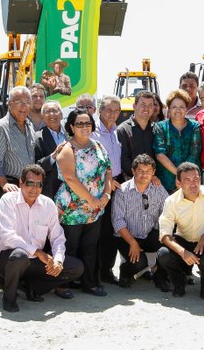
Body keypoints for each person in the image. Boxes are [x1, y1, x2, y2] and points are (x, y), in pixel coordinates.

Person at [0, 164, 84, 312]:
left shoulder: (48, 204)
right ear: (21, 182)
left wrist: (58, 261)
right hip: (8, 259)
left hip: (34, 261)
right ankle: (9, 298)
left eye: (38, 184)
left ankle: (31, 288)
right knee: (20, 256)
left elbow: (58, 238)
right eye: (30, 183)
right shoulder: (8, 200)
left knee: (76, 267)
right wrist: (38, 252)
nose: (34, 189)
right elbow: (8, 236)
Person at [55, 109, 113, 297]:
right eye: (79, 124)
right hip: (72, 209)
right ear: (72, 127)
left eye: (88, 123)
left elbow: (108, 171)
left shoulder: (98, 146)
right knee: (69, 246)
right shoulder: (67, 149)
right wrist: (92, 200)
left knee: (90, 246)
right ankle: (63, 284)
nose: (84, 127)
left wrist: (106, 196)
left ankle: (89, 283)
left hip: (95, 208)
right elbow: (70, 178)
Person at [0, 86, 36, 288]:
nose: (24, 106)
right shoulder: (0, 128)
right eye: (19, 102)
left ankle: (19, 278)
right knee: (2, 235)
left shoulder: (30, 125)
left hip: (26, 188)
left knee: (22, 232)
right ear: (9, 104)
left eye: (27, 102)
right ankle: (3, 281)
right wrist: (4, 184)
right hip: (6, 186)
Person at [157, 162, 204, 299]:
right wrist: (182, 252)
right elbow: (165, 234)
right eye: (187, 180)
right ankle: (179, 282)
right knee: (163, 254)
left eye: (196, 179)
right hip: (183, 240)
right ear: (178, 183)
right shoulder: (171, 201)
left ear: (200, 179)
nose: (193, 184)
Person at [112, 154, 169, 289]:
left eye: (148, 171)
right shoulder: (122, 191)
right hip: (126, 238)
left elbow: (168, 212)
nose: (144, 175)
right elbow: (117, 221)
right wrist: (133, 242)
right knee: (139, 263)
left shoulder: (158, 188)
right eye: (140, 171)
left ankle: (159, 275)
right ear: (133, 171)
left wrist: (165, 234)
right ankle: (125, 271)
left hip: (149, 234)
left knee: (169, 249)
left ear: (153, 172)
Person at [90, 95, 123, 285]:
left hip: (116, 184)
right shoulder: (92, 132)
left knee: (111, 231)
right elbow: (92, 163)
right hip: (100, 187)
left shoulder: (117, 131)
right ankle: (94, 273)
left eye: (116, 111)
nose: (112, 114)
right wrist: (108, 183)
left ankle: (107, 271)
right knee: (98, 232)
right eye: (109, 110)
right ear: (100, 110)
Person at [153, 89, 202, 193]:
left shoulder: (195, 127)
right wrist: (179, 175)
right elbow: (160, 154)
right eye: (174, 107)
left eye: (181, 107)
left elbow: (194, 153)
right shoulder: (160, 127)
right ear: (169, 109)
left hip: (190, 181)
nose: (178, 110)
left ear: (186, 108)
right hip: (166, 182)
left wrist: (184, 176)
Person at [116, 91, 156, 179]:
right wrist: (141, 176)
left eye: (150, 105)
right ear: (134, 106)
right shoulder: (122, 130)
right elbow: (123, 159)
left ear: (153, 108)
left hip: (154, 180)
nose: (146, 109)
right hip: (130, 180)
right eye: (143, 105)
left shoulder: (157, 129)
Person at [34, 100, 68, 199]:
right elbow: (36, 166)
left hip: (72, 188)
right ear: (42, 116)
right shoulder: (37, 137)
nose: (52, 114)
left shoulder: (70, 134)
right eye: (47, 111)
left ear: (61, 115)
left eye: (55, 110)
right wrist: (53, 155)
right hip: (50, 190)